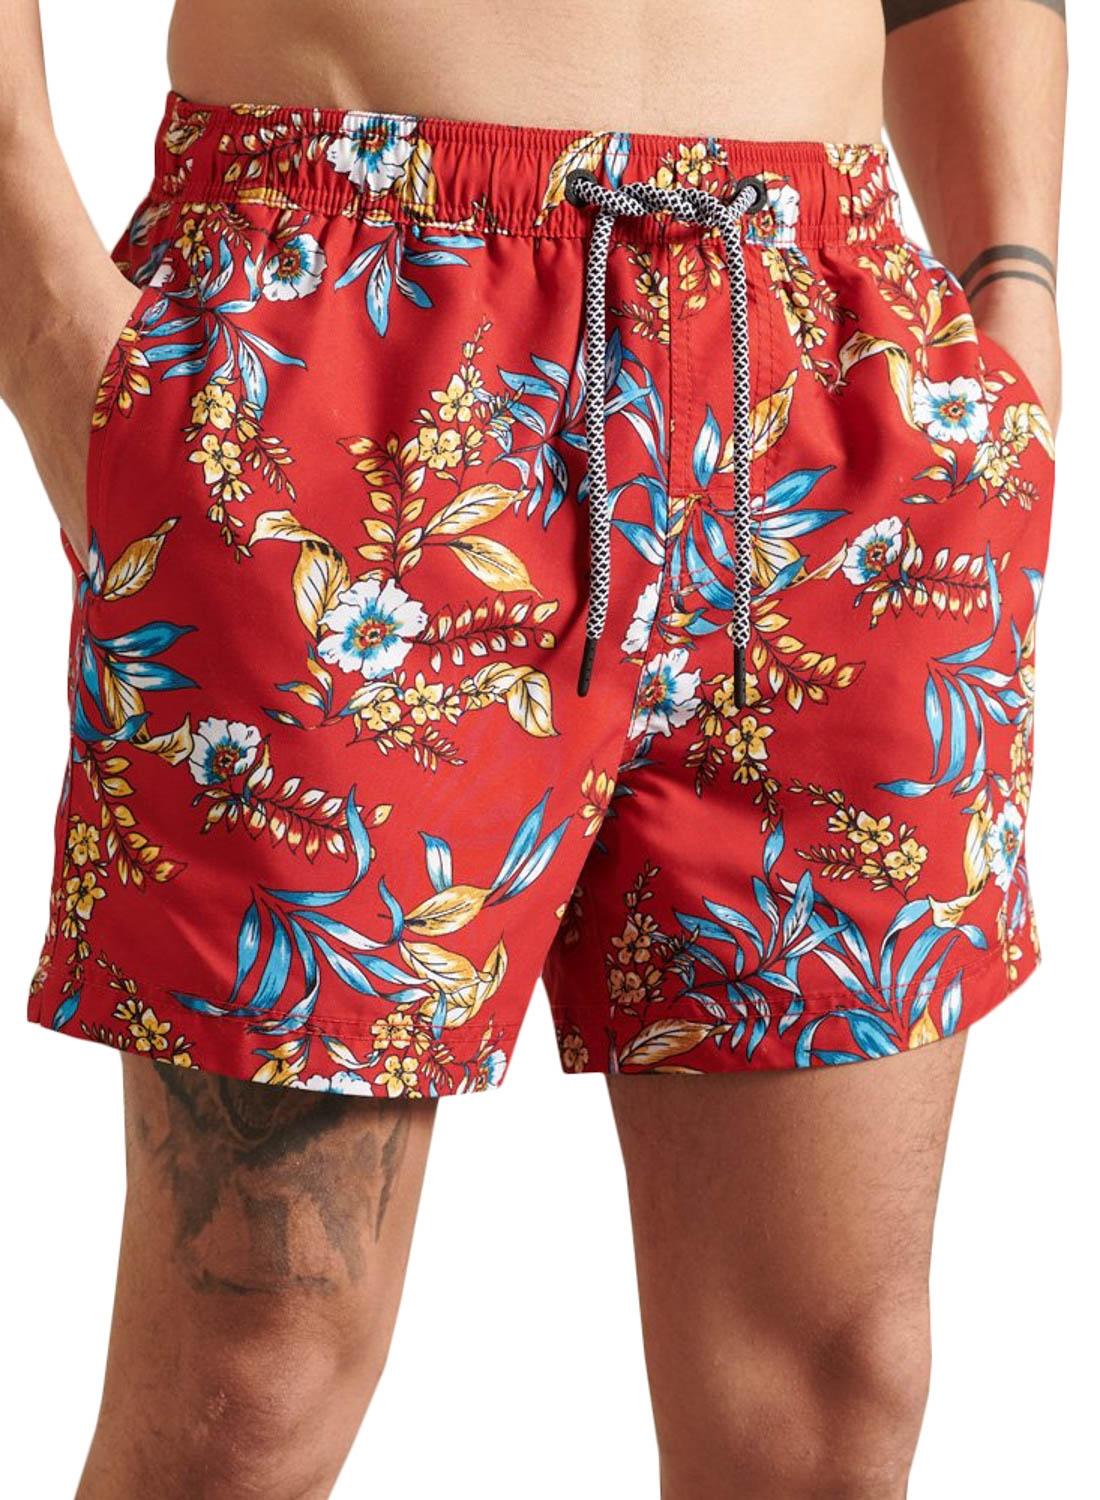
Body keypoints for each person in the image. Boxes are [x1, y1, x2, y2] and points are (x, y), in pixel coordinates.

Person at [1, 0, 1065, 1495]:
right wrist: (44, 308)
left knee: (831, 1390)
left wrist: (1015, 292)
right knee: (252, 1376)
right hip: (359, 329)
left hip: (831, 364)